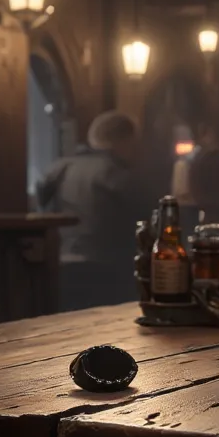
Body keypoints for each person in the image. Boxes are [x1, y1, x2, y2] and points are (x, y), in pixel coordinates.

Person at [35, 111, 149, 310]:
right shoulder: (116, 174)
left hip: (60, 265)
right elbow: (143, 219)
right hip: (107, 268)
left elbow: (42, 207)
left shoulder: (60, 168)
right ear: (124, 141)